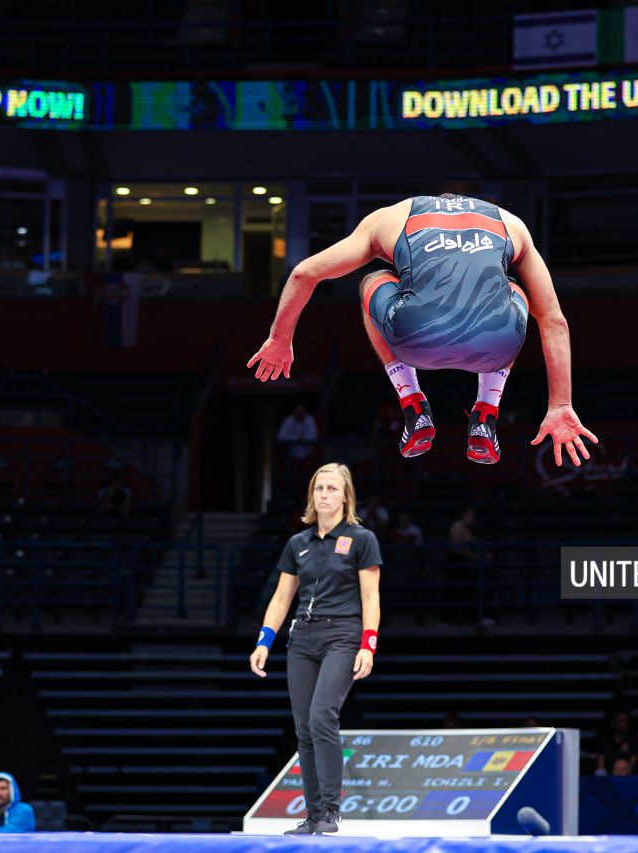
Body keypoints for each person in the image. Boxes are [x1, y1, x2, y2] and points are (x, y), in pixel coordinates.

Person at [248, 193, 598, 467]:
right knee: (515, 291)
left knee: (372, 280)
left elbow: (303, 273)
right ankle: (486, 414)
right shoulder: (511, 224)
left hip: (414, 340)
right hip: (496, 345)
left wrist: (281, 339)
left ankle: (412, 403)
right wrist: (560, 404)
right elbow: (553, 319)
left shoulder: (387, 219)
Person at [249, 462, 382, 836]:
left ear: (345, 496)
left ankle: (330, 811)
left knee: (324, 715)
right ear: (312, 495)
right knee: (304, 727)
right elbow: (281, 598)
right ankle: (314, 816)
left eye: (332, 489)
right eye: (319, 488)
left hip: (343, 635)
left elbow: (371, 598)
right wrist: (264, 642)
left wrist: (368, 645)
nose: (324, 495)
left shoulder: (362, 539)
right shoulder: (297, 544)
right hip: (302, 640)